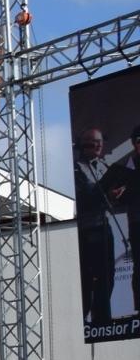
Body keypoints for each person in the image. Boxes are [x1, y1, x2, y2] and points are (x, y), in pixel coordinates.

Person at [76, 128, 117, 326]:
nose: (99, 146)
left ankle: (102, 316)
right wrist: (104, 194)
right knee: (89, 277)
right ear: (84, 146)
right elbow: (83, 198)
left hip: (104, 225)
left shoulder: (104, 165)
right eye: (94, 143)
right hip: (87, 229)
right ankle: (87, 316)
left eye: (100, 142)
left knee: (108, 274)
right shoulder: (77, 169)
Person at [99, 125, 140, 319]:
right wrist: (113, 195)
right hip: (137, 223)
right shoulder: (124, 167)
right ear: (134, 144)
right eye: (139, 141)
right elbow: (103, 194)